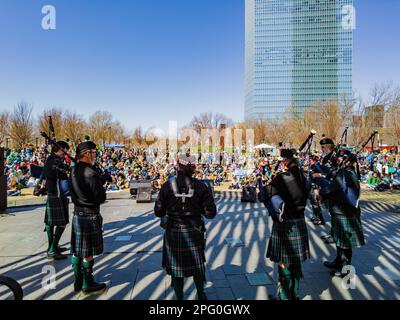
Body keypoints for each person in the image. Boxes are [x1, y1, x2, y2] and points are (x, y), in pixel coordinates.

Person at [154, 154, 217, 300]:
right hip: (194, 231)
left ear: (178, 166)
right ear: (193, 167)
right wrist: (198, 208)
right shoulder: (202, 187)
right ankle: (201, 295)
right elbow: (210, 213)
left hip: (173, 231)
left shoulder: (167, 186)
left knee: (177, 268)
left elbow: (158, 212)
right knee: (197, 265)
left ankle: (179, 297)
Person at [263, 149, 310, 300]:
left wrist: (264, 185)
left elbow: (265, 194)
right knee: (296, 262)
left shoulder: (282, 177)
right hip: (300, 221)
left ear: (284, 161)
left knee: (285, 264)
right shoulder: (304, 176)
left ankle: (283, 296)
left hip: (286, 223)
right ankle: (295, 295)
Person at [69, 141, 107, 293]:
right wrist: (102, 184)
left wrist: (100, 179)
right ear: (86, 154)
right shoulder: (91, 173)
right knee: (88, 253)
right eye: (93, 153)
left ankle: (77, 281)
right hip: (90, 215)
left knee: (77, 251)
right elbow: (100, 198)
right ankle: (88, 284)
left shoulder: (72, 170)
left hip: (78, 214)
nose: (95, 156)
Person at [320, 150, 365, 277]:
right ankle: (338, 261)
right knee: (340, 240)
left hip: (344, 212)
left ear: (348, 161)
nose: (338, 160)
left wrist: (322, 192)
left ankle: (346, 270)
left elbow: (333, 187)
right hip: (341, 211)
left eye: (341, 159)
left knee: (344, 242)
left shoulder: (346, 173)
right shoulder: (347, 172)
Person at [43, 141, 70, 260]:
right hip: (57, 193)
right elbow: (66, 170)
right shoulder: (55, 161)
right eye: (65, 150)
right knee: (61, 223)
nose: (66, 153)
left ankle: (52, 247)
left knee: (50, 223)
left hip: (53, 192)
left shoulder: (51, 159)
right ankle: (52, 250)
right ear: (60, 149)